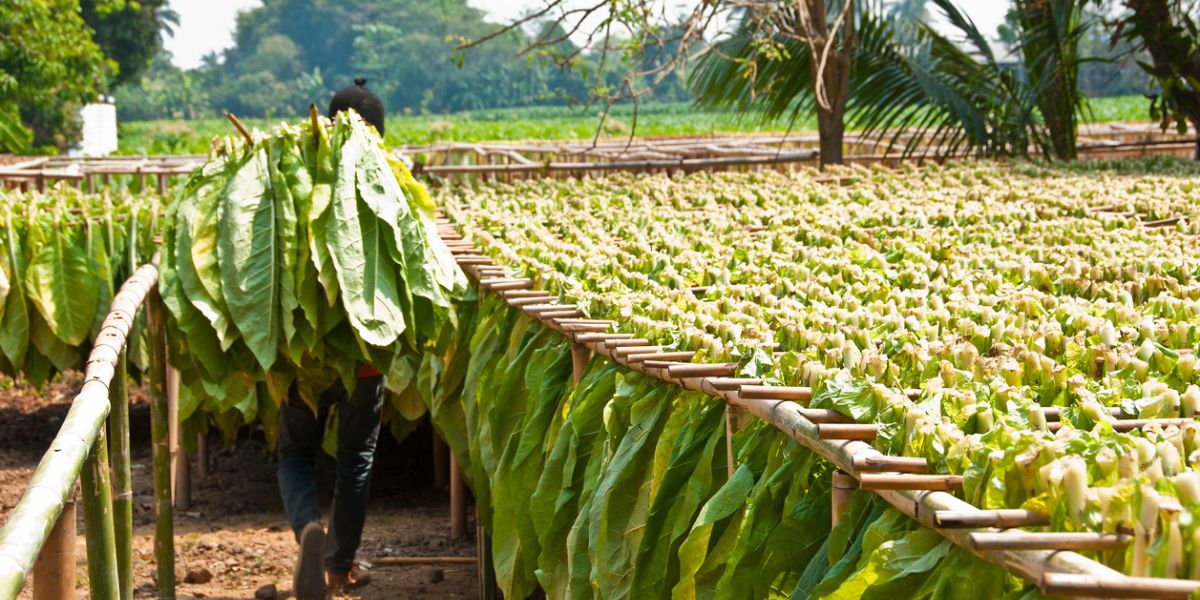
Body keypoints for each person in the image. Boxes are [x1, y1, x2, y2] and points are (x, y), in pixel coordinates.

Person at [279, 78, 386, 600]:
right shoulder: (391, 184)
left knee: (295, 455)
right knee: (355, 459)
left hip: (304, 354)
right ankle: (338, 566)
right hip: (365, 353)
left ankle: (306, 530)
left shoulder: (292, 176)